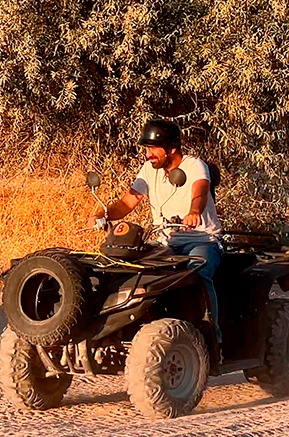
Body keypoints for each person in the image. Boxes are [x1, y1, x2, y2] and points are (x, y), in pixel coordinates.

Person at [87, 119, 223, 342]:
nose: (148, 154)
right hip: (166, 242)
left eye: (153, 149)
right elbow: (129, 201)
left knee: (198, 271)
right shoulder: (150, 171)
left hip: (202, 239)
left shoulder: (193, 166)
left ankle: (211, 330)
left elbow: (199, 191)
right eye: (146, 149)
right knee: (129, 270)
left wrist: (194, 212)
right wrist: (103, 214)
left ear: (171, 148)